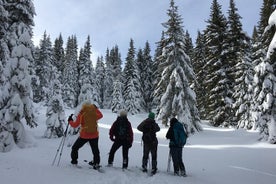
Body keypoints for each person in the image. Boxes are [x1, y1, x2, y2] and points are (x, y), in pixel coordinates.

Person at [68, 102, 103, 170]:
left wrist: (70, 121)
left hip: (84, 135)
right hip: (94, 135)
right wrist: (96, 109)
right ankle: (96, 163)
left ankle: (74, 162)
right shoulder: (94, 112)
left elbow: (75, 125)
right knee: (95, 150)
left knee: (75, 148)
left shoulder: (82, 113)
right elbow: (101, 115)